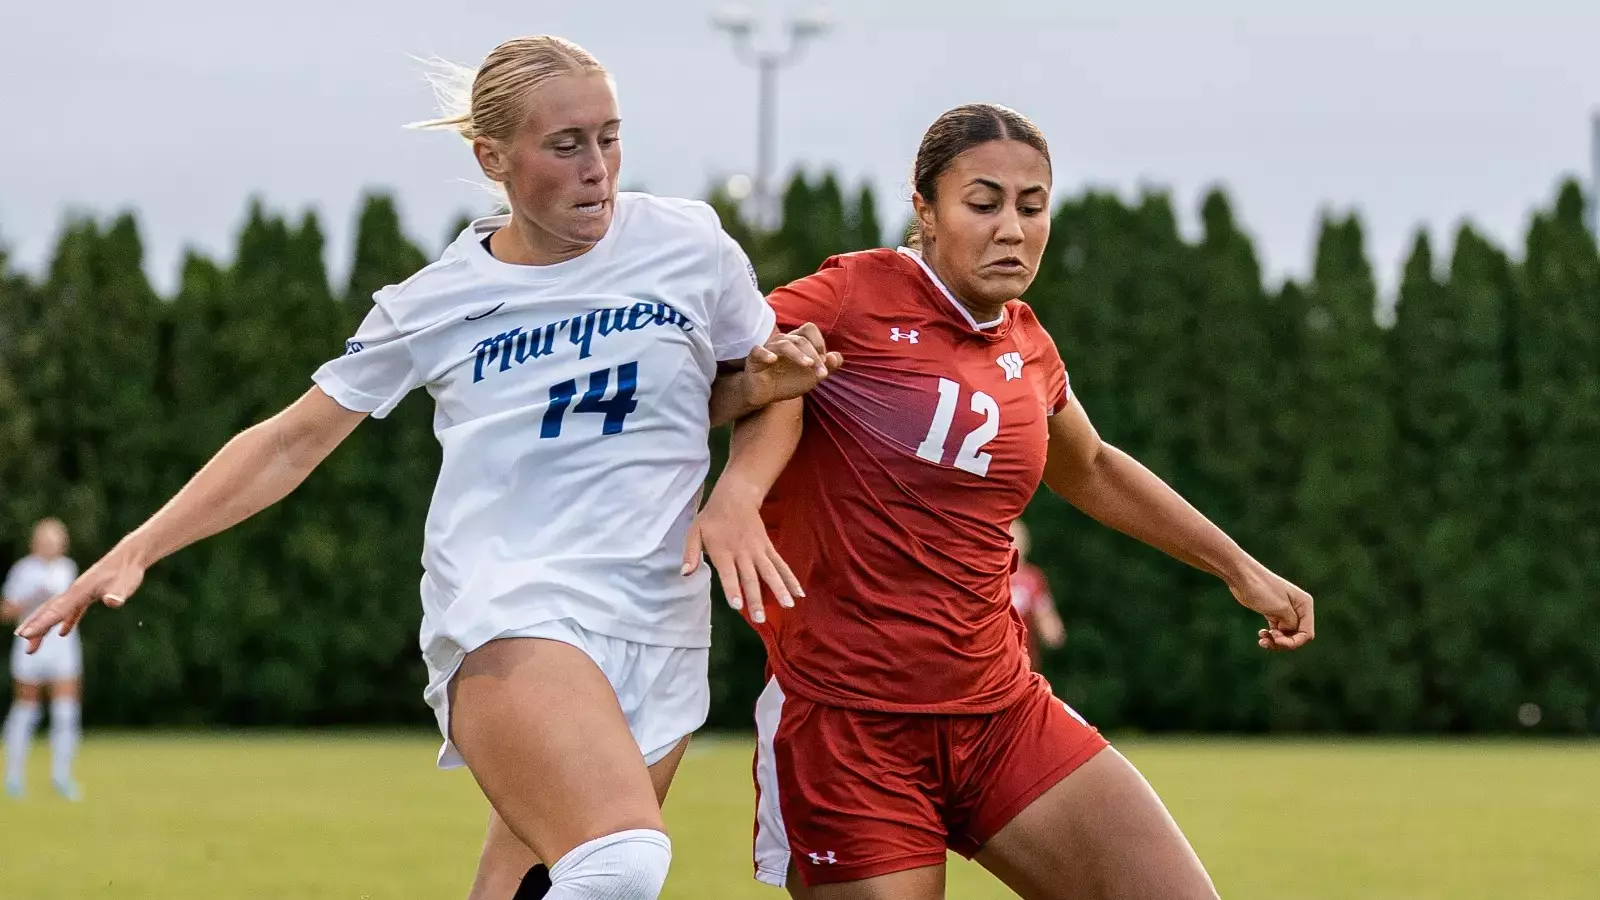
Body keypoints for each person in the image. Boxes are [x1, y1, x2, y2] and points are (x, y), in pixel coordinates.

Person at [18, 35, 840, 900]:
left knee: (530, 886)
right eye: (566, 145)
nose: (598, 166)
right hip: (512, 605)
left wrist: (739, 490)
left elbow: (761, 389)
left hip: (661, 619)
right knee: (622, 865)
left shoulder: (690, 244)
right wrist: (139, 546)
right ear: (492, 157)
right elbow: (290, 440)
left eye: (610, 136)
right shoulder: (436, 299)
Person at [745, 103, 1315, 900]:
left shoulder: (1025, 341)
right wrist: (736, 490)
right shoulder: (849, 294)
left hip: (1001, 713)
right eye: (983, 204)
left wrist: (1239, 569)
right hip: (852, 729)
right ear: (925, 211)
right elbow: (740, 378)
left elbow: (1092, 468)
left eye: (1032, 205)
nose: (1011, 227)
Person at [3, 518, 83, 801]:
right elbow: (6, 611)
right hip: (30, 645)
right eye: (46, 541)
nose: (51, 546)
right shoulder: (23, 570)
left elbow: (77, 604)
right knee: (26, 710)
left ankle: (62, 776)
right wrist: (32, 598)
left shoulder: (68, 568)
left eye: (56, 541)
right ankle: (14, 777)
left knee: (65, 712)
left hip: (62, 645)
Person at [1008, 520, 1065, 673]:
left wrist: (1051, 630)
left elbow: (1050, 626)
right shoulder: (988, 579)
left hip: (1024, 668)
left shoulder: (1032, 579)